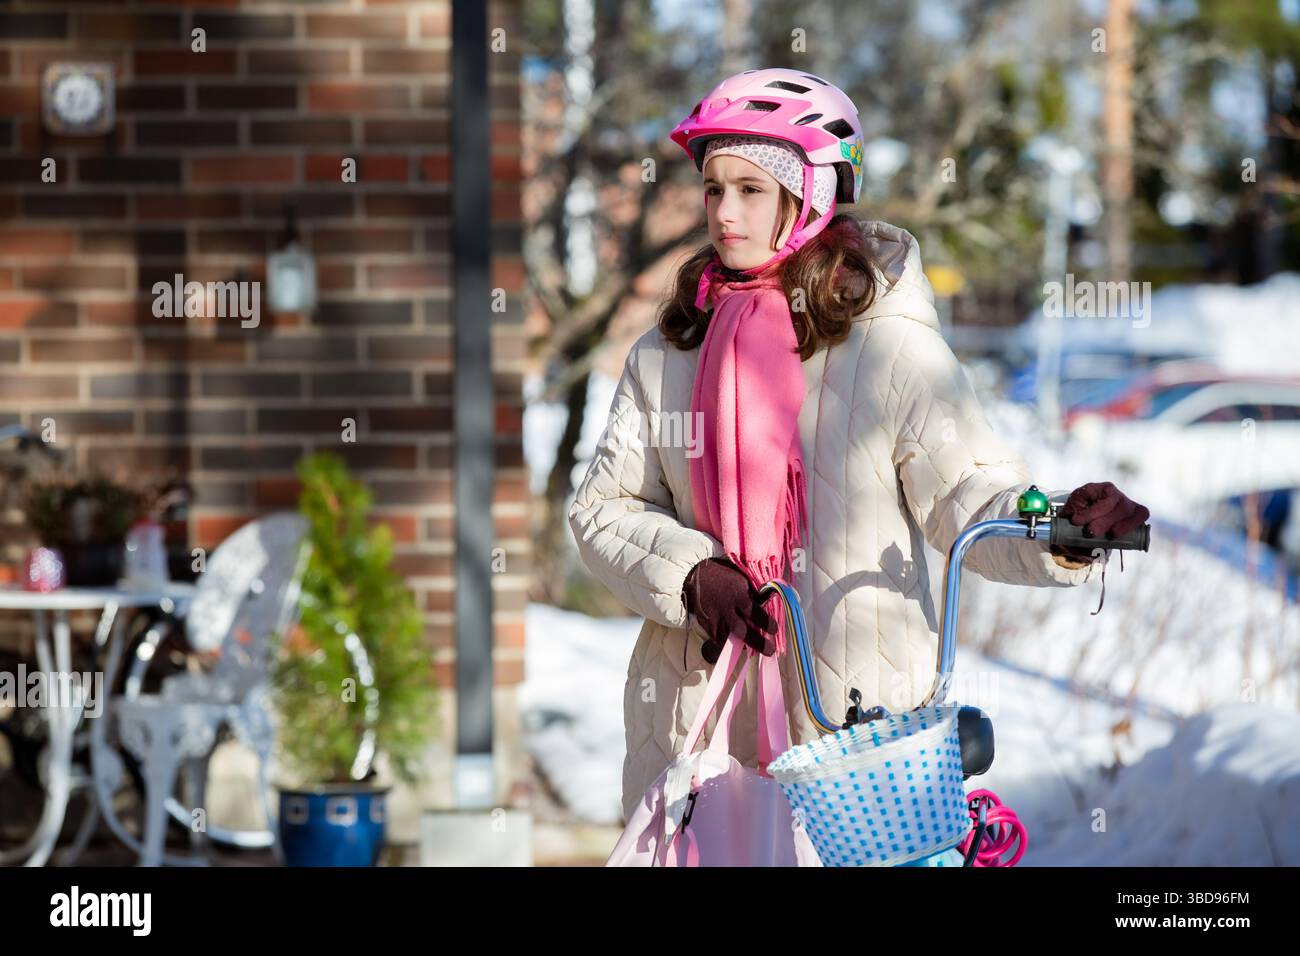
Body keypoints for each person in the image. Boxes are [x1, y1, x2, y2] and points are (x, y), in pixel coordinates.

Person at [567, 68, 1150, 825]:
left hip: (857, 739)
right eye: (714, 188)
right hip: (696, 724)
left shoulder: (888, 348)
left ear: (807, 195)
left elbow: (968, 496)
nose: (724, 212)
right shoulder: (669, 348)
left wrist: (1066, 526)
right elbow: (603, 510)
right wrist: (692, 577)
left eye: (751, 189)